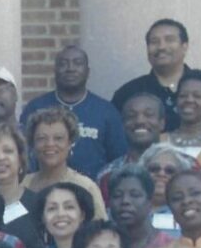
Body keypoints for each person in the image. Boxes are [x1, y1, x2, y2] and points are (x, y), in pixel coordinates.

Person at [111, 17, 201, 134]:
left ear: (184, 47)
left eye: (169, 40)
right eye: (154, 42)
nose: (161, 47)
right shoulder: (129, 94)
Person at [19, 43, 126, 178]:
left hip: (93, 191)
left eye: (77, 63)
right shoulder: (36, 108)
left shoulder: (106, 111)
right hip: (42, 190)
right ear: (55, 71)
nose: (70, 68)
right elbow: (24, 154)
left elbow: (119, 160)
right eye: (63, 64)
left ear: (87, 72)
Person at [20, 107, 107, 218]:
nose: (50, 144)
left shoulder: (86, 187)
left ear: (70, 143)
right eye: (42, 138)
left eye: (58, 138)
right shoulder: (21, 185)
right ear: (32, 145)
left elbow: (100, 230)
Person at [96, 92, 168, 196]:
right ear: (123, 124)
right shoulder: (108, 174)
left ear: (162, 123)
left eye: (148, 115)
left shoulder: (184, 167)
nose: (140, 121)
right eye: (131, 116)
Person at [106, 164, 177, 248]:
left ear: (150, 201)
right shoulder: (99, 247)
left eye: (135, 195)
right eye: (117, 195)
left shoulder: (168, 247)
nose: (125, 201)